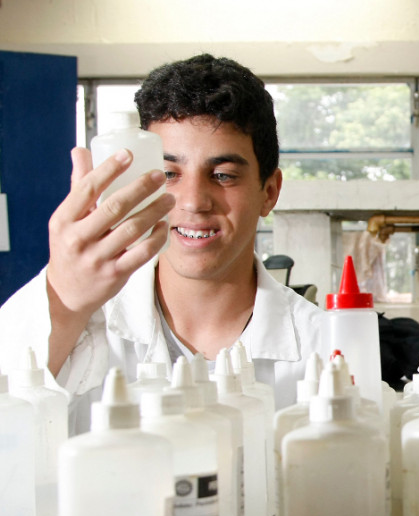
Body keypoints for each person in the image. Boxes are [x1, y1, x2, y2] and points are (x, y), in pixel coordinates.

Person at [0, 54, 322, 434]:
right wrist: (63, 300)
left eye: (223, 175)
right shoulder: (85, 322)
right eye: (169, 173)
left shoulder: (322, 342)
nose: (193, 201)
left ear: (269, 192)